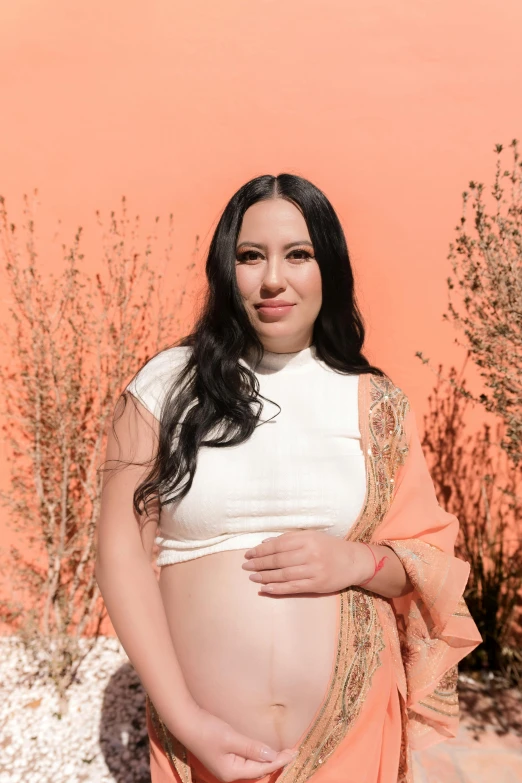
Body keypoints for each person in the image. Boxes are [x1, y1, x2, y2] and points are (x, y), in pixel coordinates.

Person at [95, 174, 483, 783]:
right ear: (227, 269)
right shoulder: (165, 386)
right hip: (204, 748)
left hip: (353, 736)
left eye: (297, 254)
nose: (273, 278)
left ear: (328, 268)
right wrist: (189, 720)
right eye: (251, 256)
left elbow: (430, 559)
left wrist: (357, 564)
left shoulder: (374, 404)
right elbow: (118, 556)